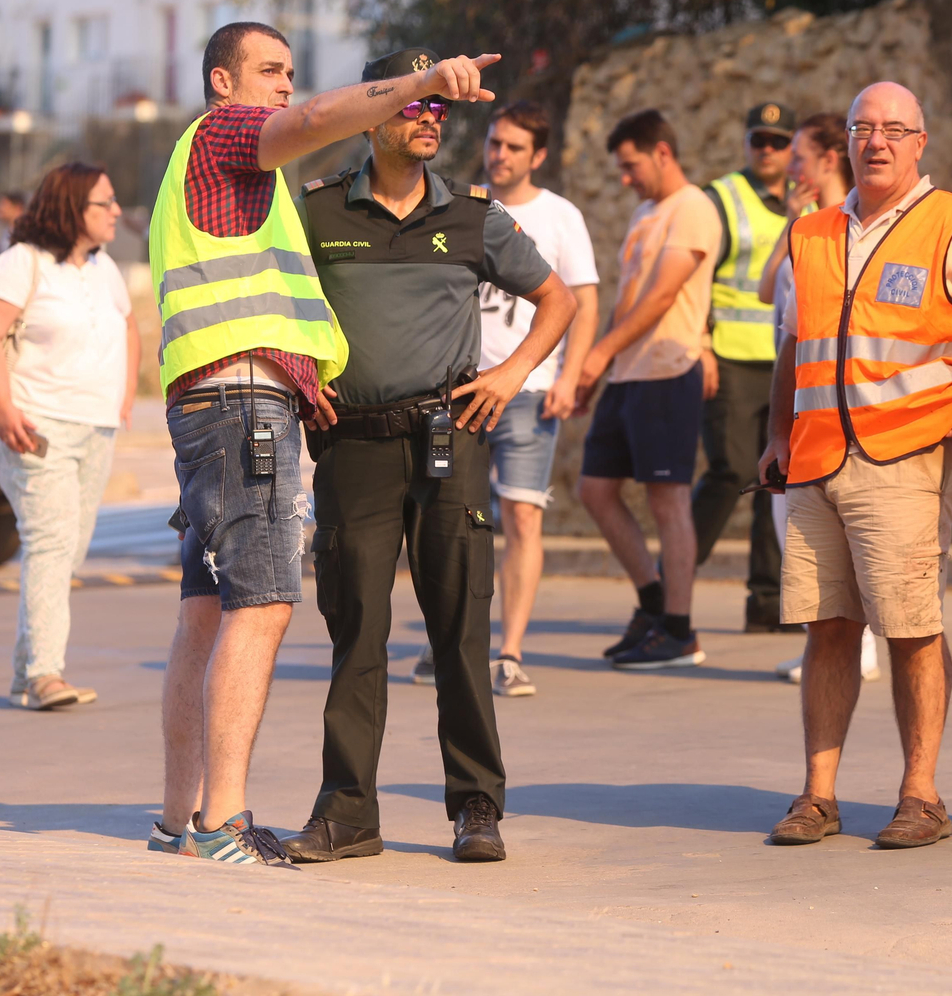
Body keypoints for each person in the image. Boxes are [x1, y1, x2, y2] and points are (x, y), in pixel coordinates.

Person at [149, 22, 501, 868]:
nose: (283, 86)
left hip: (214, 402)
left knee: (204, 610)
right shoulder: (226, 137)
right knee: (262, 605)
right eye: (268, 72)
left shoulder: (244, 183)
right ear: (221, 84)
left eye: (290, 73)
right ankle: (223, 823)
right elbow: (311, 121)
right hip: (241, 407)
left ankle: (178, 820)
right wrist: (417, 88)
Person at [278, 49, 574, 866]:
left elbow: (561, 299)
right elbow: (278, 303)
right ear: (374, 114)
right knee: (357, 636)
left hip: (450, 443)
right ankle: (347, 815)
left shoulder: (474, 216)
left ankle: (476, 806)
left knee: (459, 634)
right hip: (354, 447)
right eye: (417, 107)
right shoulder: (317, 211)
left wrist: (512, 375)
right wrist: (301, 376)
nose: (430, 121)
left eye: (440, 112)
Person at [760, 82, 952, 850]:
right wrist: (776, 435)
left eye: (894, 129)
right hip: (818, 457)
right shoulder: (812, 232)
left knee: (911, 628)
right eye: (863, 128)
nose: (876, 141)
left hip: (907, 456)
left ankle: (921, 795)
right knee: (828, 626)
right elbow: (794, 342)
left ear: (921, 142)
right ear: (845, 142)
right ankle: (818, 796)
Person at [0, 162, 137, 711]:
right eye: (104, 203)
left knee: (70, 547)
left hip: (96, 426)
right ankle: (44, 673)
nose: (116, 212)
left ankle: (27, 670)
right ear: (71, 208)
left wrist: (125, 393)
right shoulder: (20, 264)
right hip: (35, 424)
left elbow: (129, 324)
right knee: (50, 541)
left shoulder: (103, 266)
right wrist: (2, 407)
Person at [574, 110, 721, 671]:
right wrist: (597, 369)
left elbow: (661, 299)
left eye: (631, 165)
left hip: (667, 369)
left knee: (668, 500)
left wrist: (601, 350)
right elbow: (629, 296)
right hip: (627, 373)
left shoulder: (693, 209)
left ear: (663, 153)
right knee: (595, 489)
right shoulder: (645, 212)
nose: (624, 178)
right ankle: (655, 604)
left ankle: (680, 630)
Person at [471, 99, 600, 698]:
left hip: (531, 388)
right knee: (451, 521)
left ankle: (510, 652)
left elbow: (583, 299)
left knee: (523, 516)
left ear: (538, 156)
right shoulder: (462, 206)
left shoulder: (560, 216)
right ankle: (452, 639)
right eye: (495, 143)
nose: (500, 155)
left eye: (514, 147)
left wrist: (571, 375)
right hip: (461, 387)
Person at [752, 112, 877, 687]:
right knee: (795, 528)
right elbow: (765, 290)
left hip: (840, 402)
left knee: (855, 526)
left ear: (829, 159)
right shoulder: (805, 225)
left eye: (800, 155)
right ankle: (820, 643)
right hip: (797, 396)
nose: (791, 166)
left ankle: (866, 645)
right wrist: (788, 226)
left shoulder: (852, 226)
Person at [693, 103, 797, 634]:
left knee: (774, 481)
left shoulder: (813, 200)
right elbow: (697, 275)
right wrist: (703, 344)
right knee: (730, 469)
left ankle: (767, 602)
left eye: (778, 142)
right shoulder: (722, 196)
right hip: (731, 356)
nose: (767, 151)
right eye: (759, 140)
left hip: (784, 359)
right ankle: (673, 577)